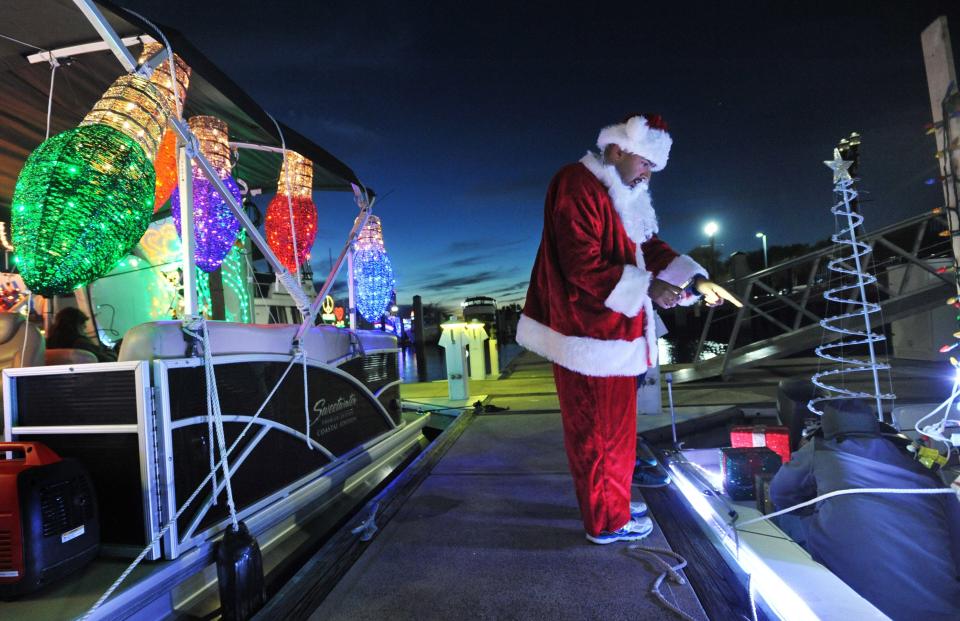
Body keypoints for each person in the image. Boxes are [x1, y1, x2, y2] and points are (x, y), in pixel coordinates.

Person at [517, 113, 740, 544]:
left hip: (612, 334)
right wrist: (650, 288)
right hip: (588, 335)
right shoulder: (576, 184)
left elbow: (648, 247)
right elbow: (580, 263)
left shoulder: (620, 191)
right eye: (645, 165)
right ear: (617, 151)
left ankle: (612, 502)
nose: (648, 176)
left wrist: (694, 280)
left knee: (615, 433)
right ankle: (606, 521)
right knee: (599, 435)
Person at [769, 399, 960, 620]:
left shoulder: (820, 449)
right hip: (943, 609)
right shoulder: (911, 460)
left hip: (865, 609)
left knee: (788, 522)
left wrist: (822, 506)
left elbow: (781, 496)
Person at [46, 306, 117, 362]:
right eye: (83, 325)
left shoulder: (47, 344)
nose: (85, 328)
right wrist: (110, 350)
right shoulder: (81, 344)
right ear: (76, 325)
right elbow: (108, 362)